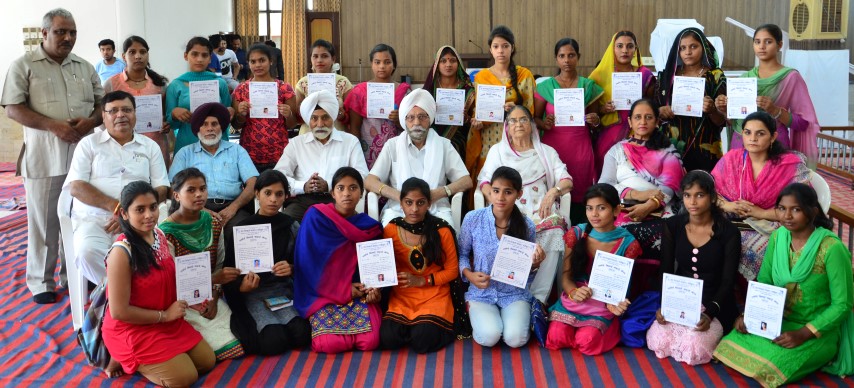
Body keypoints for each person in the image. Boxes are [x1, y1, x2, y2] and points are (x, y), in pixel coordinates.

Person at [1, 8, 104, 303]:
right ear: (45, 33)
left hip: (84, 159)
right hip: (44, 158)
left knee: (79, 218)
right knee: (44, 223)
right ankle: (42, 282)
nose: (68, 38)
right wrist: (53, 127)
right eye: (61, 32)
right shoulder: (24, 65)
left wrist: (92, 121)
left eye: (72, 32)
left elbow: (101, 104)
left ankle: (71, 275)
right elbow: (12, 107)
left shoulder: (84, 67)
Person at [714, 183, 854, 387]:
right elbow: (765, 282)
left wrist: (803, 334)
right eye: (781, 208)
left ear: (812, 211)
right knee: (727, 345)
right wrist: (749, 316)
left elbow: (843, 304)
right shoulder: (779, 237)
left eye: (795, 209)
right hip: (778, 320)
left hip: (817, 328)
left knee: (772, 367)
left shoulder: (832, 249)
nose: (787, 216)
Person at [101, 181, 215, 385]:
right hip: (134, 329)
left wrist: (192, 298)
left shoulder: (159, 235)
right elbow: (118, 312)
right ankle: (122, 354)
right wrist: (164, 316)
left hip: (167, 322)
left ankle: (134, 359)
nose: (149, 215)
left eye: (153, 207)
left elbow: (168, 280)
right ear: (125, 214)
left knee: (207, 361)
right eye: (140, 209)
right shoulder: (121, 252)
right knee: (185, 378)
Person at [64, 90, 169, 284]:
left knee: (156, 254)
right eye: (113, 111)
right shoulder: (88, 144)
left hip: (139, 220)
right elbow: (76, 187)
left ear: (135, 114)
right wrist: (117, 208)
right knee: (86, 253)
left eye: (126, 110)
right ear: (103, 116)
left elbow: (162, 187)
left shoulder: (150, 146)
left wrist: (130, 215)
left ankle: (123, 298)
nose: (120, 115)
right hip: (95, 220)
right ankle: (121, 296)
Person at [478, 105, 573, 303]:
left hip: (542, 209)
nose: (518, 124)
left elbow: (566, 180)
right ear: (506, 127)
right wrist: (498, 202)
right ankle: (512, 293)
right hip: (509, 208)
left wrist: (553, 192)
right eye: (512, 120)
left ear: (531, 125)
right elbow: (485, 183)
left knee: (555, 228)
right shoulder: (498, 152)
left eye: (523, 120)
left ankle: (538, 299)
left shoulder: (546, 152)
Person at [646, 171, 740, 365]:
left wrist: (711, 312)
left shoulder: (728, 231)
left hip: (715, 301)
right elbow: (666, 270)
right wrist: (665, 305)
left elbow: (728, 281)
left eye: (700, 195)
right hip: (681, 300)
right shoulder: (673, 225)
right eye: (688, 195)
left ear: (712, 197)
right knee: (659, 339)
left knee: (694, 345)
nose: (693, 202)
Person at [293, 167, 384, 353]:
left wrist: (374, 290)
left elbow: (375, 269)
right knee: (329, 344)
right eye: (341, 188)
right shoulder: (316, 217)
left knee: (370, 341)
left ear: (361, 193)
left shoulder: (369, 228)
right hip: (323, 293)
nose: (347, 194)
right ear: (332, 193)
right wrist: (344, 289)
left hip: (358, 292)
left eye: (353, 188)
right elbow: (307, 266)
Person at [712, 111, 811, 281]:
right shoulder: (731, 159)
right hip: (731, 219)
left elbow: (801, 206)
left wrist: (760, 213)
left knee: (760, 248)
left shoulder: (788, 165)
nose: (753, 138)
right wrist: (726, 205)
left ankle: (761, 296)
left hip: (772, 224)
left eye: (760, 133)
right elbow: (708, 190)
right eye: (748, 132)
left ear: (773, 137)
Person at [223, 169, 312, 355]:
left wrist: (292, 268)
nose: (273, 200)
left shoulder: (291, 225)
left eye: (279, 194)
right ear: (257, 194)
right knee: (273, 341)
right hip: (253, 293)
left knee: (302, 334)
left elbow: (307, 263)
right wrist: (242, 287)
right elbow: (229, 272)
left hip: (283, 291)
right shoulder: (242, 230)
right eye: (267, 193)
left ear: (286, 197)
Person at [160, 168, 246, 360]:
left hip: (209, 296)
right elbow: (169, 281)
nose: (199, 194)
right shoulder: (165, 233)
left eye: (202, 189)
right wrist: (213, 280)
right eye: (191, 190)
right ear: (176, 195)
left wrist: (215, 297)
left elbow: (219, 265)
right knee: (214, 348)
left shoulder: (214, 223)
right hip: (180, 302)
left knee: (242, 340)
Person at [599, 98, 684, 291]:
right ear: (630, 122)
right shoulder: (617, 151)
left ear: (656, 121)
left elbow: (670, 185)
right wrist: (636, 194)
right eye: (637, 117)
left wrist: (650, 204)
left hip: (661, 209)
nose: (642, 122)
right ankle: (614, 294)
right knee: (614, 236)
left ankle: (663, 293)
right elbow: (605, 186)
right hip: (622, 208)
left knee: (670, 235)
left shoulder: (667, 150)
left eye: (648, 117)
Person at [546, 183, 640, 355]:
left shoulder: (628, 244)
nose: (594, 214)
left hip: (603, 303)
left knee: (587, 341)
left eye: (601, 208)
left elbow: (623, 287)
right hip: (575, 298)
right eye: (590, 208)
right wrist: (573, 291)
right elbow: (566, 276)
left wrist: (615, 303)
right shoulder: (577, 233)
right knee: (556, 337)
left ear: (616, 210)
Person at [459, 167, 545, 348]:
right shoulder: (473, 219)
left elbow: (526, 273)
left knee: (515, 339)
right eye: (496, 191)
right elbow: (463, 254)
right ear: (489, 190)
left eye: (508, 192)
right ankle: (477, 314)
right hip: (481, 292)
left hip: (513, 293)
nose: (500, 198)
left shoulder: (527, 225)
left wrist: (535, 264)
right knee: (490, 337)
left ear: (519, 194)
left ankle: (509, 319)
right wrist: (469, 275)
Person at [365, 89, 473, 226]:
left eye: (422, 117)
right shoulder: (392, 145)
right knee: (391, 235)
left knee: (445, 236)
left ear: (430, 119)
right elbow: (370, 181)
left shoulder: (444, 145)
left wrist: (438, 193)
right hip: (398, 210)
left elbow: (466, 181)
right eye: (411, 117)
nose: (416, 122)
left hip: (436, 209)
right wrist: (400, 196)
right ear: (404, 120)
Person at [715, 24, 819, 165]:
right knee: (740, 185)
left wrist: (775, 111)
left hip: (773, 145)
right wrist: (724, 109)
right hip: (741, 143)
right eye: (757, 42)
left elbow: (803, 123)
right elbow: (734, 121)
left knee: (774, 184)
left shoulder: (790, 77)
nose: (762, 46)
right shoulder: (744, 79)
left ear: (780, 45)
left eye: (768, 42)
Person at [380, 177, 460, 353]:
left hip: (434, 294)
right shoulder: (391, 230)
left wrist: (422, 281)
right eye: (409, 202)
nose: (414, 209)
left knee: (422, 340)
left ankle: (417, 330)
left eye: (420, 203)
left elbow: (452, 271)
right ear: (401, 203)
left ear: (429, 204)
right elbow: (382, 265)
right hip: (402, 295)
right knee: (388, 338)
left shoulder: (442, 230)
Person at [534, 38, 603, 224]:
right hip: (553, 147)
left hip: (580, 148)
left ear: (578, 57)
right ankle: (554, 229)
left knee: (580, 193)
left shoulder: (588, 87)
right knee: (553, 190)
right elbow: (535, 118)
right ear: (556, 59)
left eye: (571, 55)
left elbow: (597, 119)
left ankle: (579, 234)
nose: (566, 60)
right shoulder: (544, 87)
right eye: (562, 56)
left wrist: (595, 120)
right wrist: (544, 124)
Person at [274, 90, 368, 222]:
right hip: (303, 200)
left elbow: (362, 175)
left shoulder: (350, 142)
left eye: (325, 117)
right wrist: (303, 186)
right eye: (314, 118)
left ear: (333, 118)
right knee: (285, 223)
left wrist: (330, 185)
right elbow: (278, 176)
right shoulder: (296, 143)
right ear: (308, 121)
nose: (320, 124)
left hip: (338, 200)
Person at [169, 102, 258, 229]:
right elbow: (173, 188)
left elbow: (253, 182)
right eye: (204, 124)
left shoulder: (237, 150)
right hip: (195, 208)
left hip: (234, 207)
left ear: (221, 128)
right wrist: (201, 210)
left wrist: (233, 208)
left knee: (242, 230)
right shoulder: (185, 153)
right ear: (198, 129)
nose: (210, 128)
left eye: (214, 124)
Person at [656, 28, 727, 173]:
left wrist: (712, 110)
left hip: (705, 146)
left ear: (704, 47)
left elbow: (722, 120)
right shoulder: (667, 77)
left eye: (693, 46)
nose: (687, 52)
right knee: (671, 189)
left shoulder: (715, 76)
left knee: (703, 189)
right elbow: (652, 114)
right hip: (671, 146)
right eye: (682, 48)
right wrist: (659, 112)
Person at [470, 26, 536, 181]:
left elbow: (531, 112)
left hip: (517, 139)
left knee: (515, 182)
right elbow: (477, 110)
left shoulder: (524, 75)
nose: (500, 50)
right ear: (490, 50)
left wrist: (516, 111)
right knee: (489, 180)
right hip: (489, 138)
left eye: (505, 46)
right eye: (496, 46)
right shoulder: (481, 77)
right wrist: (476, 121)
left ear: (512, 48)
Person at [589, 31, 657, 175]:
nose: (625, 50)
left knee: (634, 175)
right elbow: (591, 112)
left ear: (635, 50)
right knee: (607, 173)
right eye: (619, 46)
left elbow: (653, 107)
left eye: (629, 46)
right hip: (608, 134)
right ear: (612, 49)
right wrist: (603, 109)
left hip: (639, 132)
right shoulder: (599, 76)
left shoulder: (645, 75)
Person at [104, 35, 173, 168]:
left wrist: (166, 124)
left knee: (158, 185)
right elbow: (104, 118)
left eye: (142, 52)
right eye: (132, 52)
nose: (138, 56)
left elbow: (166, 115)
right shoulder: (112, 84)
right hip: (123, 146)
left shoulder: (159, 84)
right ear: (124, 56)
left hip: (155, 145)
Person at [231, 43, 298, 172]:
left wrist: (288, 114)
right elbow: (236, 125)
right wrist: (241, 114)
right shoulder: (241, 89)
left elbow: (292, 125)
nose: (257, 65)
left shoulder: (284, 88)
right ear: (248, 64)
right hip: (249, 153)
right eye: (253, 61)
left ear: (271, 61)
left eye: (262, 60)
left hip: (278, 152)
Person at [344, 44, 411, 168]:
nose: (382, 66)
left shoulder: (404, 92)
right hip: (367, 152)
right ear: (371, 64)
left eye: (387, 62)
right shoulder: (360, 91)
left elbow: (412, 126)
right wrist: (355, 156)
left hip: (397, 150)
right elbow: (355, 127)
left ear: (394, 64)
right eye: (377, 62)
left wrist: (399, 121)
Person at [165, 36, 233, 156]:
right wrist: (174, 114)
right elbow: (171, 124)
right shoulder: (176, 85)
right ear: (186, 56)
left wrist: (230, 111)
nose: (199, 59)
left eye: (204, 55)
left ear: (210, 58)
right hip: (187, 145)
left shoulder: (220, 83)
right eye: (194, 54)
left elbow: (226, 118)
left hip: (217, 145)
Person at [422, 45, 476, 164]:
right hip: (432, 139)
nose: (448, 64)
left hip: (459, 141)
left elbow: (474, 118)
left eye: (452, 60)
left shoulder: (468, 89)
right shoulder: (430, 88)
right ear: (437, 64)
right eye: (443, 61)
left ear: (458, 63)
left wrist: (466, 119)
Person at [295, 39, 354, 135]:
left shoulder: (343, 82)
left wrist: (341, 115)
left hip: (336, 135)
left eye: (324, 56)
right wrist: (303, 110)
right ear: (311, 59)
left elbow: (352, 118)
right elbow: (296, 119)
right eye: (315, 56)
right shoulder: (303, 83)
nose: (319, 60)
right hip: (309, 136)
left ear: (333, 59)